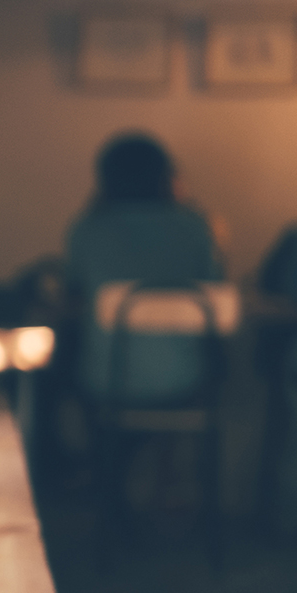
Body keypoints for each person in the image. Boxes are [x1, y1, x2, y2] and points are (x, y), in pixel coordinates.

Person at [65, 133, 224, 407]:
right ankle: (152, 449)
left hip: (106, 380)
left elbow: (72, 289)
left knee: (59, 361)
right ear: (166, 176)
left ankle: (95, 449)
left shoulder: (88, 228)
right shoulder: (195, 228)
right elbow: (215, 293)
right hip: (185, 379)